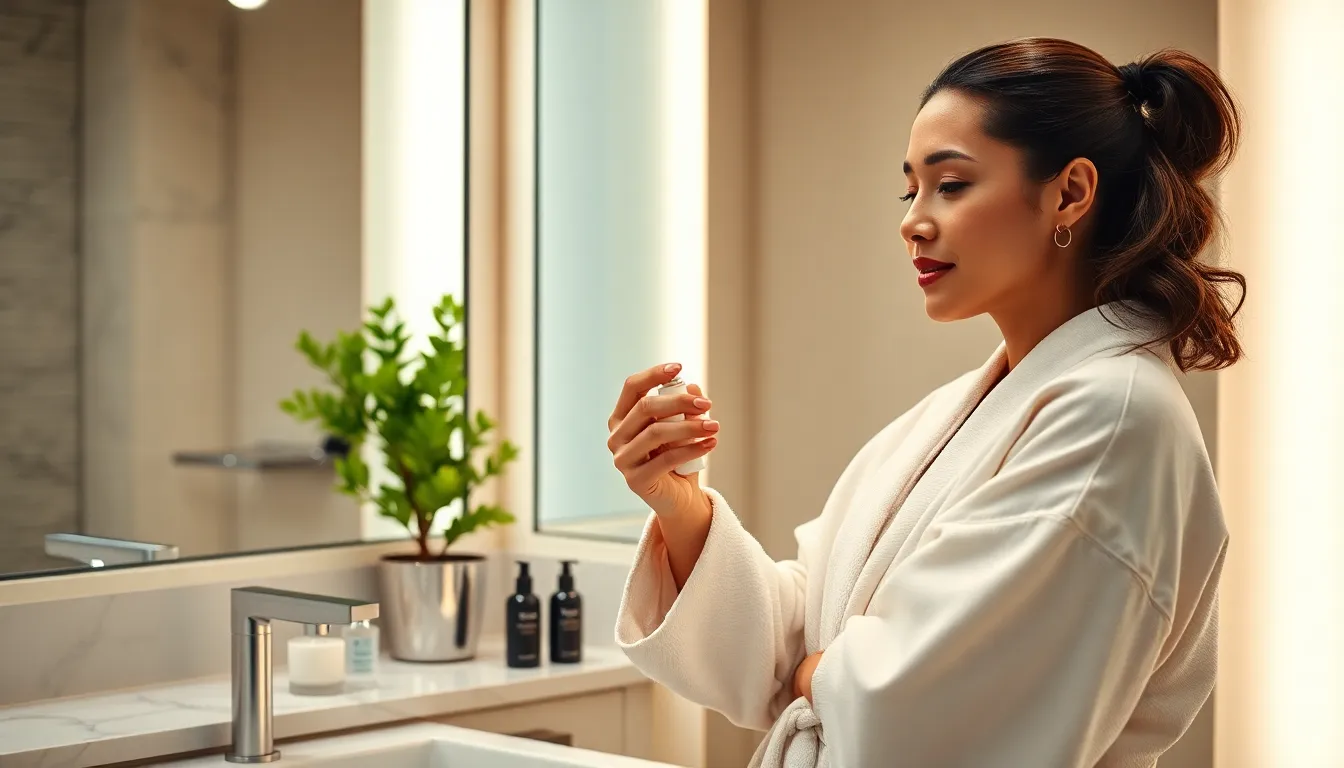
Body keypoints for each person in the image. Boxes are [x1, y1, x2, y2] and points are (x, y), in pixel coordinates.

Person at [605, 37, 1243, 768]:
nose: (913, 220)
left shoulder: (1114, 419)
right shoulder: (965, 409)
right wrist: (681, 506)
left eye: (952, 184)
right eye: (910, 190)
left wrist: (822, 677)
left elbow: (928, 715)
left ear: (1069, 193)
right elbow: (797, 638)